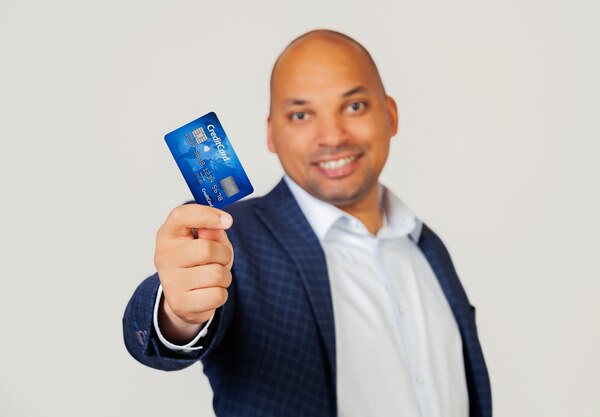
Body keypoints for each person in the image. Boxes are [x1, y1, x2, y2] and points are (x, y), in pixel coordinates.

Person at [123, 29, 491, 417]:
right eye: (301, 115)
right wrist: (178, 314)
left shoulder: (427, 247)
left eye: (354, 107)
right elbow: (157, 333)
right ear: (271, 134)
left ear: (391, 115)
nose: (331, 136)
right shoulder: (229, 241)